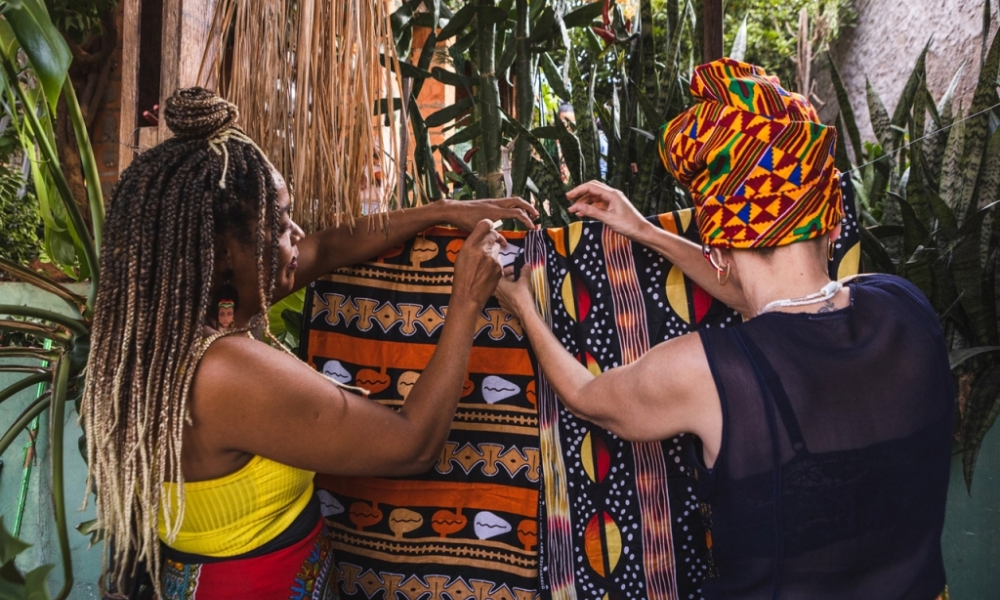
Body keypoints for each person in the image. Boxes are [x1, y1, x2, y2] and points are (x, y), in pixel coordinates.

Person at [496, 59, 953, 599]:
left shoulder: (703, 371)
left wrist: (521, 303)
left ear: (716, 247)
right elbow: (777, 302)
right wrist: (644, 231)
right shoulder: (906, 304)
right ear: (831, 222)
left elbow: (587, 397)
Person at [81, 87, 538, 599]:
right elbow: (412, 446)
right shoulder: (225, 372)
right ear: (224, 251)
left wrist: (440, 209)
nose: (297, 234)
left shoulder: (161, 332)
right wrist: (467, 301)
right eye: (280, 224)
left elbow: (327, 247)